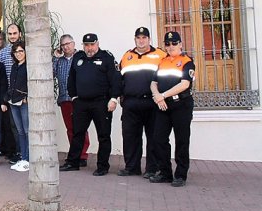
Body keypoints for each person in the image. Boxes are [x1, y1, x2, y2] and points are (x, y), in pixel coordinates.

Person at [60, 33, 122, 176]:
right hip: (81, 102)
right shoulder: (78, 57)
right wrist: (74, 97)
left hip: (101, 103)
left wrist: (113, 99)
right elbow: (71, 79)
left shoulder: (106, 57)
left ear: (97, 44)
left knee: (104, 135)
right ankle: (73, 162)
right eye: (86, 45)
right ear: (82, 46)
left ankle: (102, 166)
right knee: (77, 133)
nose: (89, 48)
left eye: (92, 44)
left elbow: (115, 80)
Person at [149, 31, 196, 187]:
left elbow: (184, 84)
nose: (170, 47)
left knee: (182, 140)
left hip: (181, 105)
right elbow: (153, 83)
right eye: (167, 44)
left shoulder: (187, 61)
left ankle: (181, 175)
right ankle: (165, 173)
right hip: (163, 105)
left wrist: (162, 95)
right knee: (158, 139)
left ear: (180, 44)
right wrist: (157, 96)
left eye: (174, 43)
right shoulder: (162, 61)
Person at [119, 27, 165, 178]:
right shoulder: (127, 56)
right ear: (135, 39)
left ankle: (152, 168)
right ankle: (131, 167)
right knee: (130, 136)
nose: (141, 40)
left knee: (153, 136)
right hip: (131, 103)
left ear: (149, 39)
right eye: (138, 38)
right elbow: (119, 79)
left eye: (144, 37)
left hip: (151, 103)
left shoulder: (160, 55)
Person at [53, 34, 90, 168]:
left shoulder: (81, 57)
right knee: (70, 128)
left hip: (79, 98)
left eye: (68, 43)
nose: (66, 47)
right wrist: (55, 58)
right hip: (65, 98)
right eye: (63, 45)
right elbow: (50, 74)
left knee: (81, 128)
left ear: (74, 44)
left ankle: (82, 155)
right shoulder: (59, 60)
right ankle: (75, 153)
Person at [0, 23, 21, 164]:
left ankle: (23, 152)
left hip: (23, 94)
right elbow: (0, 75)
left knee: (22, 126)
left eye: (15, 33)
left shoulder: (26, 50)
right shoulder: (3, 53)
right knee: (10, 125)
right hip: (8, 94)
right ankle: (14, 152)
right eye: (10, 34)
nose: (12, 36)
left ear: (20, 34)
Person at [7, 41, 30, 172]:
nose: (19, 54)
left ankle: (28, 159)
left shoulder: (28, 66)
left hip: (24, 102)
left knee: (27, 131)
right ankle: (23, 157)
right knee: (20, 131)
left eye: (21, 51)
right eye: (16, 52)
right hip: (13, 101)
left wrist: (27, 96)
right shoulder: (14, 66)